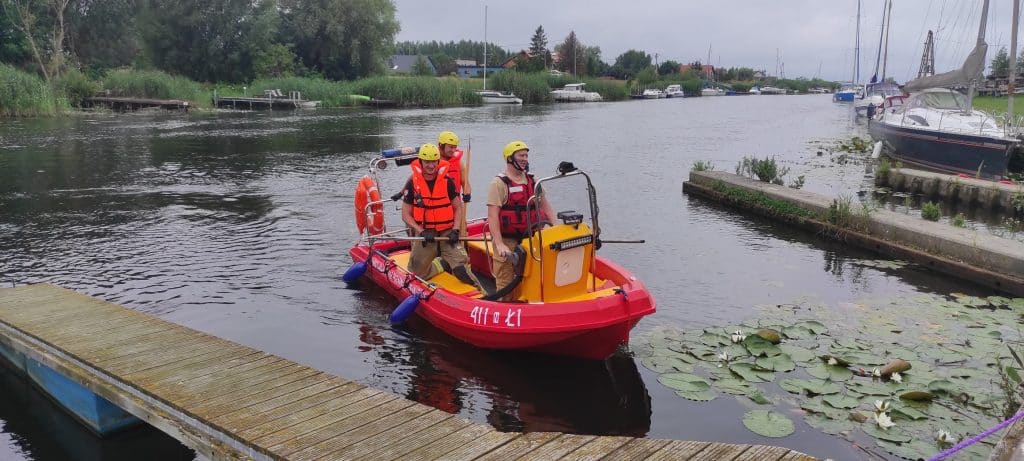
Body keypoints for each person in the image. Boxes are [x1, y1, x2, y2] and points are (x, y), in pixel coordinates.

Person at [402, 143, 485, 290]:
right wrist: (420, 230)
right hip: (426, 235)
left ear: (438, 162)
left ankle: (482, 293)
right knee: (415, 273)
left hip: (447, 233)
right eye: (427, 162)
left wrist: (455, 229)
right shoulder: (412, 184)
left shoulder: (447, 182)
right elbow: (405, 215)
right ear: (421, 162)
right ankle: (439, 264)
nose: (431, 165)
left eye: (434, 161)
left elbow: (457, 208)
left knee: (461, 268)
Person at [486, 141, 556, 301]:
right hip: (508, 240)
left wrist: (555, 229)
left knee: (538, 273)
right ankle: (503, 307)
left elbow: (546, 206)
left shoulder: (533, 180)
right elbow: (492, 216)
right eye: (521, 156)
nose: (525, 159)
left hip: (532, 238)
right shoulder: (499, 184)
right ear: (510, 159)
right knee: (505, 278)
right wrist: (499, 244)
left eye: (526, 155)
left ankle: (535, 303)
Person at [437, 131, 471, 204]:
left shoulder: (458, 163)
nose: (453, 150)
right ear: (441, 146)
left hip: (455, 203)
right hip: (437, 203)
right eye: (451, 147)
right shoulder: (433, 162)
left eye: (455, 147)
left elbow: (465, 183)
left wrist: (467, 193)